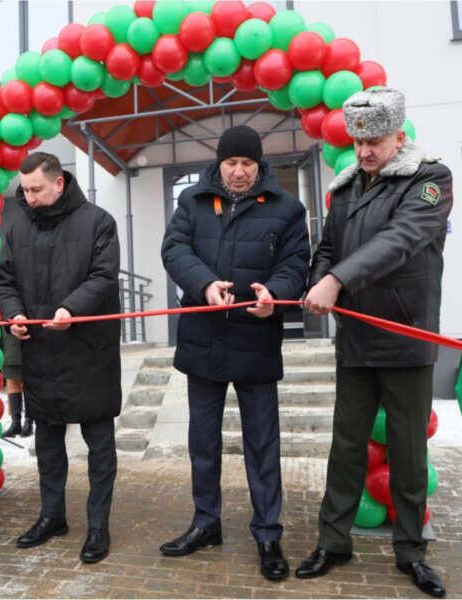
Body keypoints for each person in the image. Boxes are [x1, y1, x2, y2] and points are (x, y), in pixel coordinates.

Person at [300, 88, 452, 599]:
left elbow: (400, 240)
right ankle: (333, 542)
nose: (364, 151)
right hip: (357, 338)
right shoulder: (345, 188)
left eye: (375, 142)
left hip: (405, 337)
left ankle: (411, 551)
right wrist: (318, 282)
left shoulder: (429, 179)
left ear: (398, 137)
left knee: (408, 453)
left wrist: (335, 281)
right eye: (358, 142)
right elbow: (327, 247)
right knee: (346, 446)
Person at [159, 125, 310, 582]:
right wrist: (204, 283)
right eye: (231, 163)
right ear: (219, 163)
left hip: (255, 339)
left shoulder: (287, 207)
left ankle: (267, 533)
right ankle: (206, 523)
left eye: (247, 163)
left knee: (262, 444)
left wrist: (274, 294)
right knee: (203, 441)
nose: (239, 172)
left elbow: (296, 263)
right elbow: (174, 249)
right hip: (203, 338)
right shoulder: (193, 200)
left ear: (259, 165)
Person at [0, 152, 121, 564]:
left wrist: (72, 308)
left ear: (59, 183)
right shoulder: (18, 230)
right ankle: (52, 516)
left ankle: (98, 525)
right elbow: (5, 281)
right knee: (48, 443)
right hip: (42, 352)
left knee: (99, 445)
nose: (29, 198)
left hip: (88, 350)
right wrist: (13, 315)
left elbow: (103, 276)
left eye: (36, 189)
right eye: (25, 190)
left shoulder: (98, 222)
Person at [1, 331, 32, 438]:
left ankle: (29, 421)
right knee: (12, 382)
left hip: (29, 343)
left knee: (30, 384)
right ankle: (16, 423)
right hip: (8, 342)